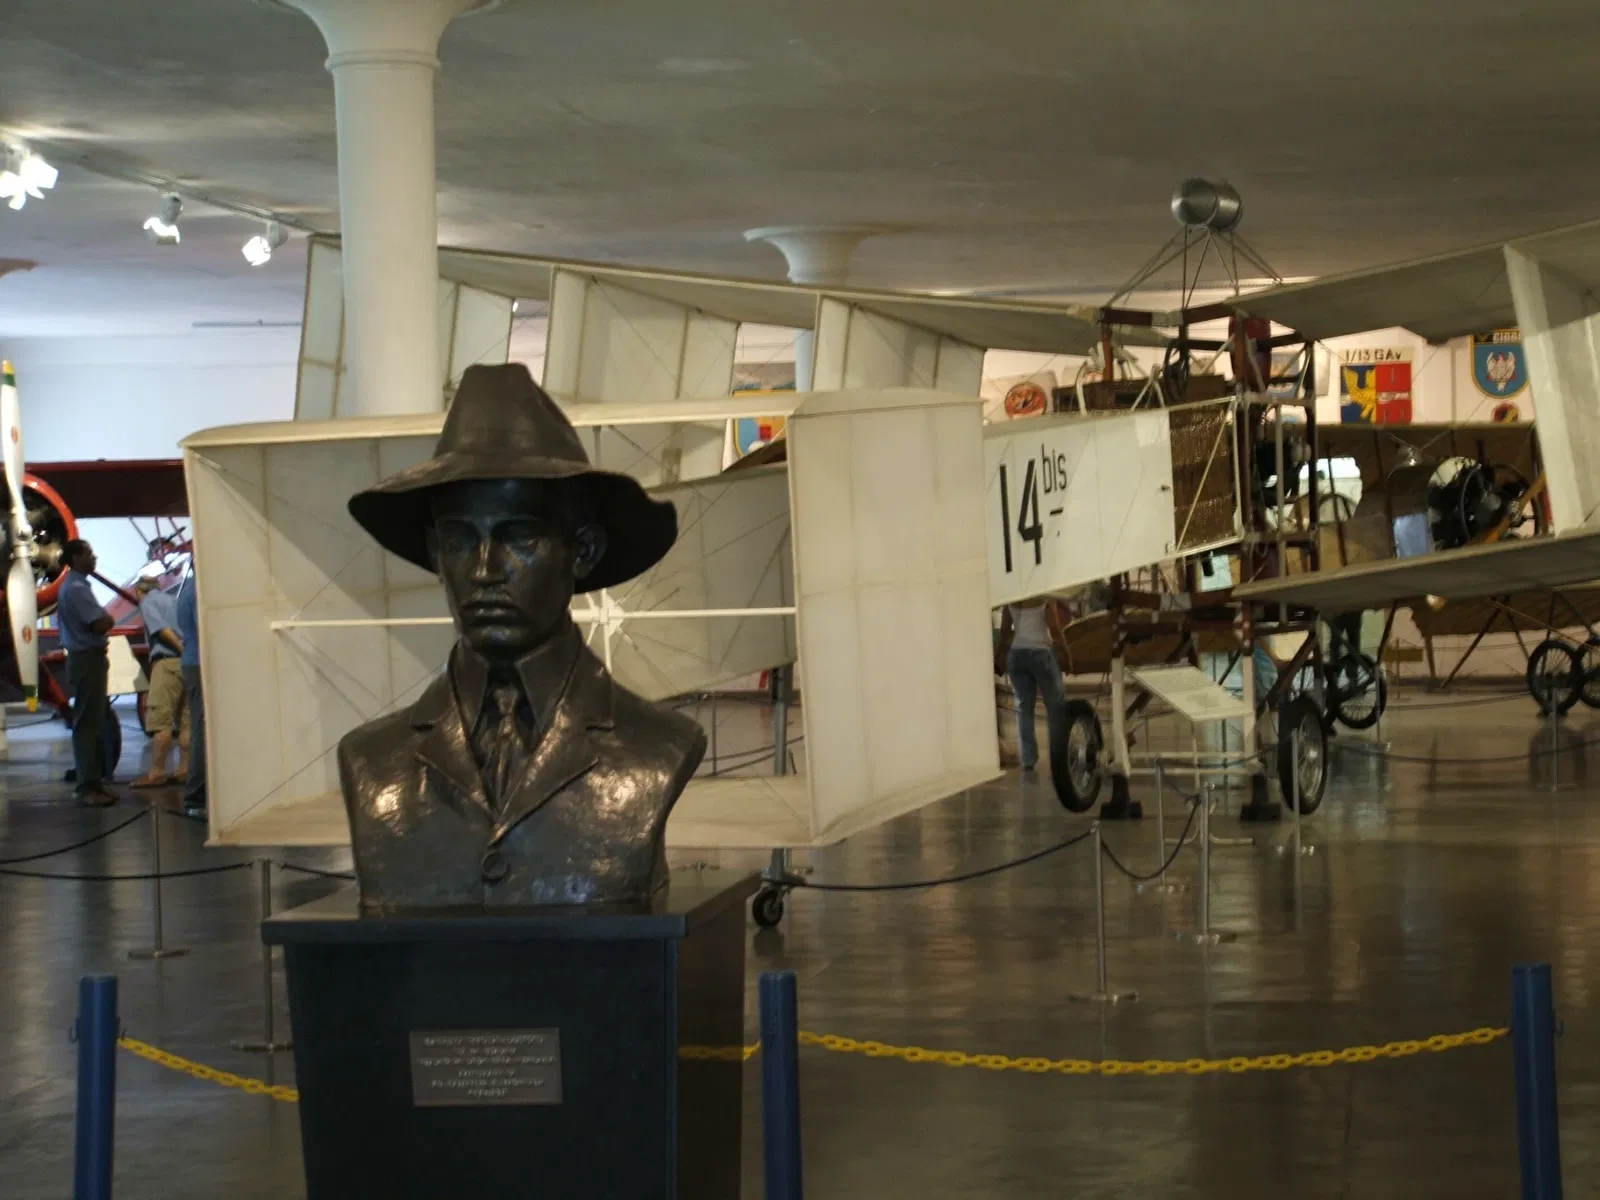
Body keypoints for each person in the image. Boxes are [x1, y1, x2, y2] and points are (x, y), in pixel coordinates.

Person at [336, 363, 706, 911]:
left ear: (582, 552)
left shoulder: (659, 746)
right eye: (461, 540)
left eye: (519, 536)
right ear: (437, 555)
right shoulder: (370, 761)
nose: (485, 569)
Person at [57, 539, 117, 806]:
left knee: (91, 723)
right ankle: (87, 787)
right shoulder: (78, 588)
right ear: (77, 556)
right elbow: (99, 624)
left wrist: (105, 619)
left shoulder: (75, 585)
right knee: (86, 725)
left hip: (85, 660)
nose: (95, 558)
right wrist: (107, 620)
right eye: (90, 554)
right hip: (87, 660)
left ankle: (93, 782)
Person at [996, 597, 1070, 772]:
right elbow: (1055, 631)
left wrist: (999, 656)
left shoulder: (1011, 599)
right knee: (1055, 706)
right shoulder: (1045, 597)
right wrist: (1067, 656)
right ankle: (1058, 755)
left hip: (1017, 655)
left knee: (1023, 706)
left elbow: (1005, 633)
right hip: (1041, 653)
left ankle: (1028, 759)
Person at [132, 575, 188, 788]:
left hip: (166, 662)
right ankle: (185, 768)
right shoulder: (173, 600)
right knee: (185, 719)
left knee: (160, 720)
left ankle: (157, 772)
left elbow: (161, 630)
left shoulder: (148, 602)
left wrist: (179, 649)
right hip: (186, 664)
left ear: (139, 591)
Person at [175, 566, 206, 817]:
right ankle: (197, 797)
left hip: (193, 661)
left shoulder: (188, 589)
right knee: (203, 730)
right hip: (200, 663)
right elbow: (206, 631)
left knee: (200, 728)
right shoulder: (200, 590)